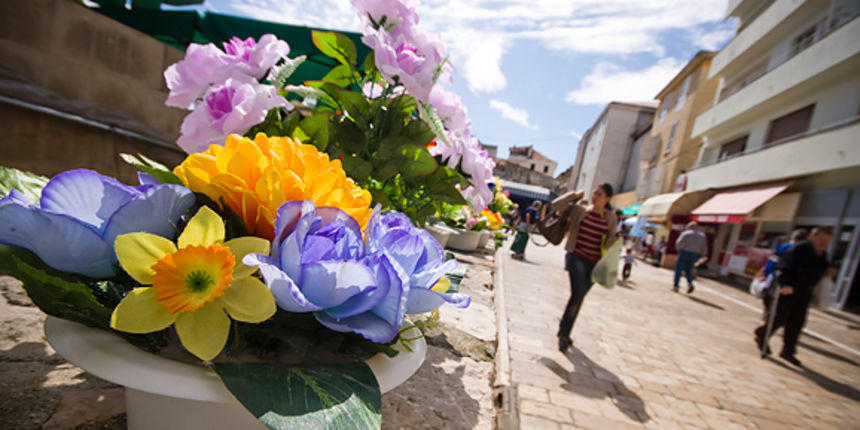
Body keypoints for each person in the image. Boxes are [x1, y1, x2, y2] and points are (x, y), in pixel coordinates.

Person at [754, 227, 836, 366]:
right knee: (779, 317)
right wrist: (785, 284)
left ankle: (788, 350)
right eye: (822, 240)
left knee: (797, 322)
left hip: (804, 292)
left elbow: (819, 271)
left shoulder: (821, 254)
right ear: (813, 236)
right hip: (789, 289)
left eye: (827, 241)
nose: (824, 244)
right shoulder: (799, 249)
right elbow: (783, 266)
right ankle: (762, 334)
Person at [552, 183, 618, 351]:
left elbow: (608, 241)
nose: (595, 196)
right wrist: (574, 195)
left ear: (607, 199)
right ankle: (564, 335)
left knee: (578, 297)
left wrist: (614, 241)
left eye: (599, 194)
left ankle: (564, 328)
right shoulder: (580, 210)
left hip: (595, 264)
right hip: (576, 257)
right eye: (594, 193)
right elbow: (556, 205)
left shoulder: (611, 218)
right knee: (578, 294)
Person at [757, 229, 808, 322]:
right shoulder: (808, 252)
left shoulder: (785, 247)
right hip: (794, 282)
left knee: (769, 295)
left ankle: (769, 314)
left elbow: (773, 261)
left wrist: (766, 273)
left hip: (779, 276)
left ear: (794, 238)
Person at [674, 221, 708, 293]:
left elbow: (678, 243)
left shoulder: (686, 233)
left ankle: (676, 285)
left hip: (684, 252)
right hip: (694, 255)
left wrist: (679, 250)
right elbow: (704, 247)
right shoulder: (702, 236)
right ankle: (690, 283)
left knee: (678, 269)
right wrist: (702, 255)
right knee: (689, 270)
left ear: (690, 227)